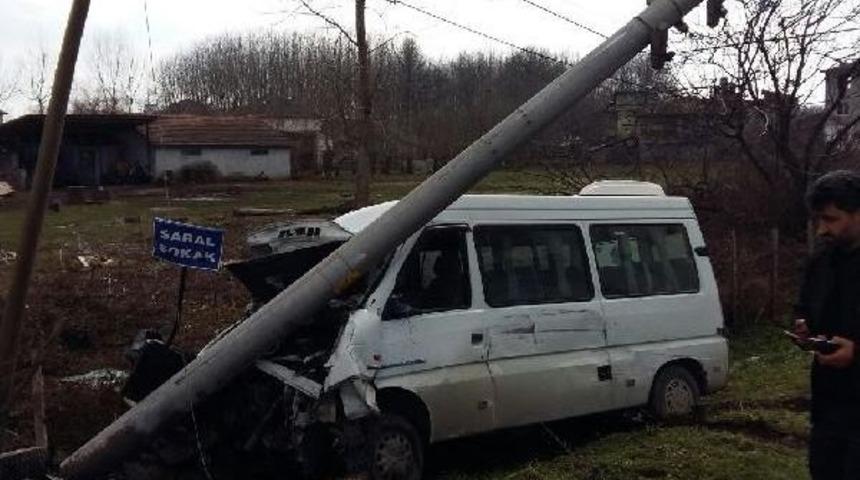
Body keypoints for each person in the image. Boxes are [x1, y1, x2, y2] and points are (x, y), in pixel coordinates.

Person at [793, 169, 860, 480]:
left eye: (831, 219)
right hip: (829, 404)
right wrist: (802, 327)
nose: (821, 229)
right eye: (818, 220)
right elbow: (803, 306)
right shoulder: (821, 261)